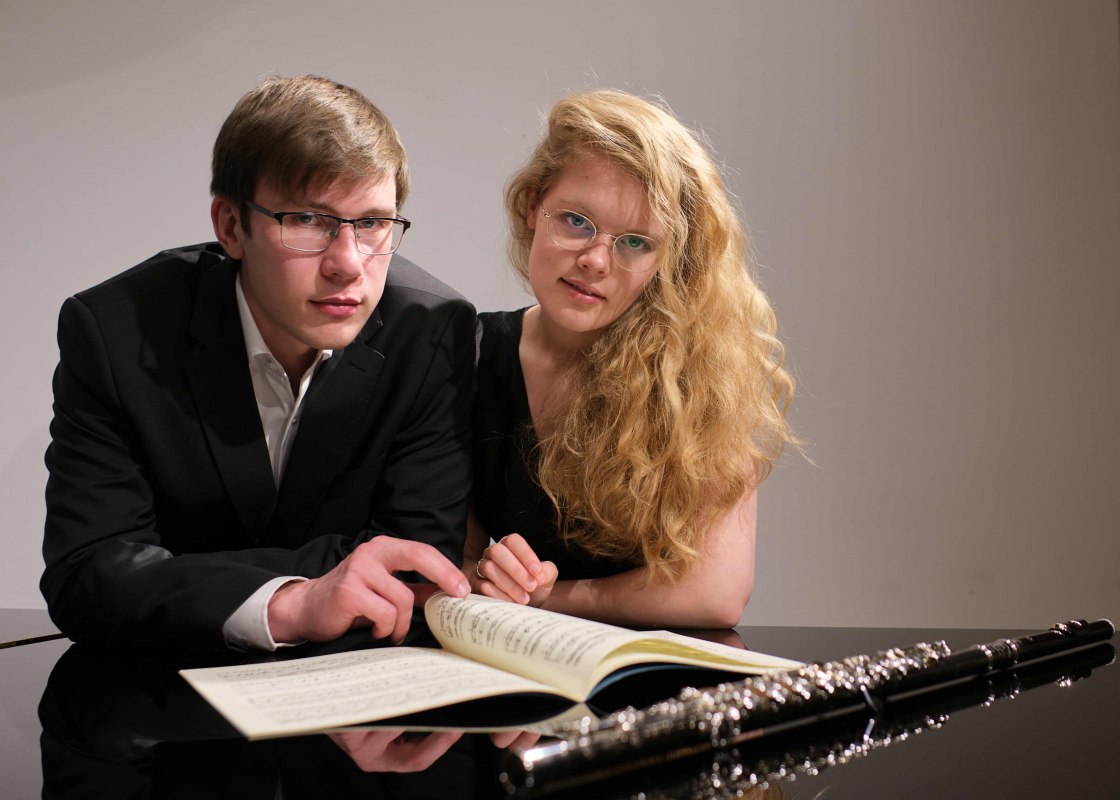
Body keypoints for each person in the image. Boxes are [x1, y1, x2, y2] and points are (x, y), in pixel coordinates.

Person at [41, 75, 474, 651]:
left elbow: (418, 563)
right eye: (308, 220)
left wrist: (179, 570)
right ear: (230, 227)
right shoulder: (115, 333)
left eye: (372, 223)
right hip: (164, 689)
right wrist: (290, 602)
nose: (348, 264)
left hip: (356, 682)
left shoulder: (431, 331)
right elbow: (87, 573)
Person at [466, 90, 796, 628]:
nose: (596, 260)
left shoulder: (702, 372)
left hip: (658, 674)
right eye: (576, 221)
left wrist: (545, 600)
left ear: (670, 259)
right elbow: (446, 560)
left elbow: (713, 594)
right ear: (531, 206)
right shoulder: (467, 352)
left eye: (637, 243)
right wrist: (487, 576)